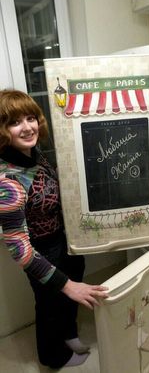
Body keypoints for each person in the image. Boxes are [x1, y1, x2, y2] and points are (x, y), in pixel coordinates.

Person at [0, 89, 109, 369]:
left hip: (64, 239)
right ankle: (53, 356)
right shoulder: (8, 181)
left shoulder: (35, 154)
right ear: (3, 130)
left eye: (30, 117)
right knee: (50, 305)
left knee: (71, 295)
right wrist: (66, 284)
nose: (27, 127)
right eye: (15, 122)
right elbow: (20, 250)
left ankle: (69, 334)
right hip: (41, 252)